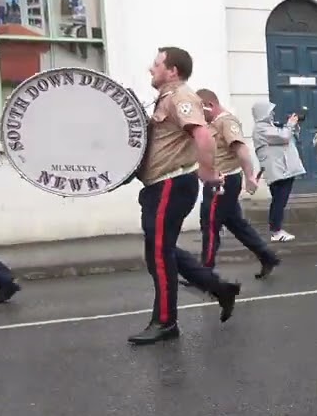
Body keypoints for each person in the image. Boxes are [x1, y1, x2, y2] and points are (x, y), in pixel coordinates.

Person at [129, 46, 240, 345]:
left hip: (171, 183)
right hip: (158, 186)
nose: (151, 69)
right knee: (159, 250)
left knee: (159, 254)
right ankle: (219, 288)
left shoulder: (182, 97)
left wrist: (207, 171)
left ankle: (165, 322)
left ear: (172, 70)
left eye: (156, 64)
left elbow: (202, 135)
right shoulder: (166, 98)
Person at [195, 89, 280, 279]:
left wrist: (250, 176)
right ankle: (267, 256)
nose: (199, 115)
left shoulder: (227, 122)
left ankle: (204, 273)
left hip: (223, 182)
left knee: (210, 224)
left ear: (211, 105)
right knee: (236, 224)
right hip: (219, 180)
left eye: (201, 110)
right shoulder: (214, 123)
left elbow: (241, 149)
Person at [251, 103, 305, 242]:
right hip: (277, 171)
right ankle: (276, 231)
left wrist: (294, 125)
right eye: (270, 112)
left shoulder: (271, 126)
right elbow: (284, 137)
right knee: (279, 201)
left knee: (280, 200)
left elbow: (290, 136)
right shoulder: (261, 129)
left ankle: (276, 229)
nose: (273, 114)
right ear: (263, 113)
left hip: (284, 169)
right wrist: (290, 124)